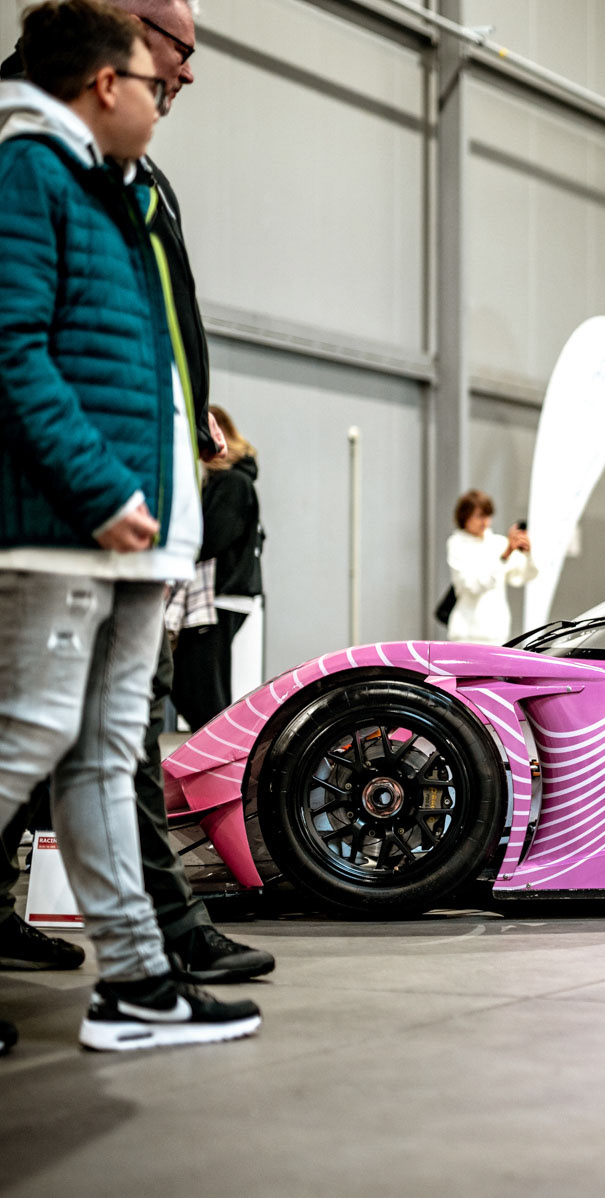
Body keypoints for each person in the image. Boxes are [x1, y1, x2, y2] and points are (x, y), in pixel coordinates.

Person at [0, 0, 259, 1052]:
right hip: (69, 525)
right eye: (157, 79)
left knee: (107, 753)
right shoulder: (30, 172)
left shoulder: (118, 189)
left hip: (135, 528)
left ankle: (140, 984)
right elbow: (12, 349)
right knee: (26, 734)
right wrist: (102, 490)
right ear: (108, 83)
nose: (169, 94)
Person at [172, 406, 262, 729]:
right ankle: (220, 747)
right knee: (196, 684)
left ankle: (224, 750)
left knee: (201, 688)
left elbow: (210, 538)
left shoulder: (232, 482)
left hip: (219, 595)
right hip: (223, 594)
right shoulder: (229, 481)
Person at [446, 490, 536, 645]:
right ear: (465, 516)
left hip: (496, 632)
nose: (485, 522)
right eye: (479, 516)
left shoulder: (498, 543)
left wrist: (527, 554)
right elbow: (472, 587)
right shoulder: (457, 544)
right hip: (467, 634)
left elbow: (521, 577)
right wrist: (504, 557)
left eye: (488, 516)